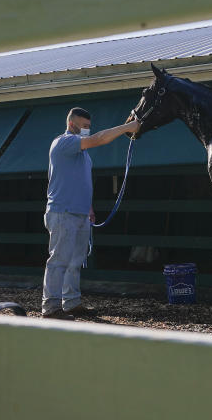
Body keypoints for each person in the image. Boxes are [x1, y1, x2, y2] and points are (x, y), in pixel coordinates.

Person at [42, 107, 139, 319]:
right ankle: (51, 307)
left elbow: (79, 180)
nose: (87, 131)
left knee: (76, 261)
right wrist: (128, 127)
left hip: (79, 213)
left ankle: (71, 302)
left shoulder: (82, 154)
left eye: (88, 127)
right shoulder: (63, 142)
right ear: (71, 125)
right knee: (59, 260)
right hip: (63, 212)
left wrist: (89, 208)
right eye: (84, 127)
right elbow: (100, 138)